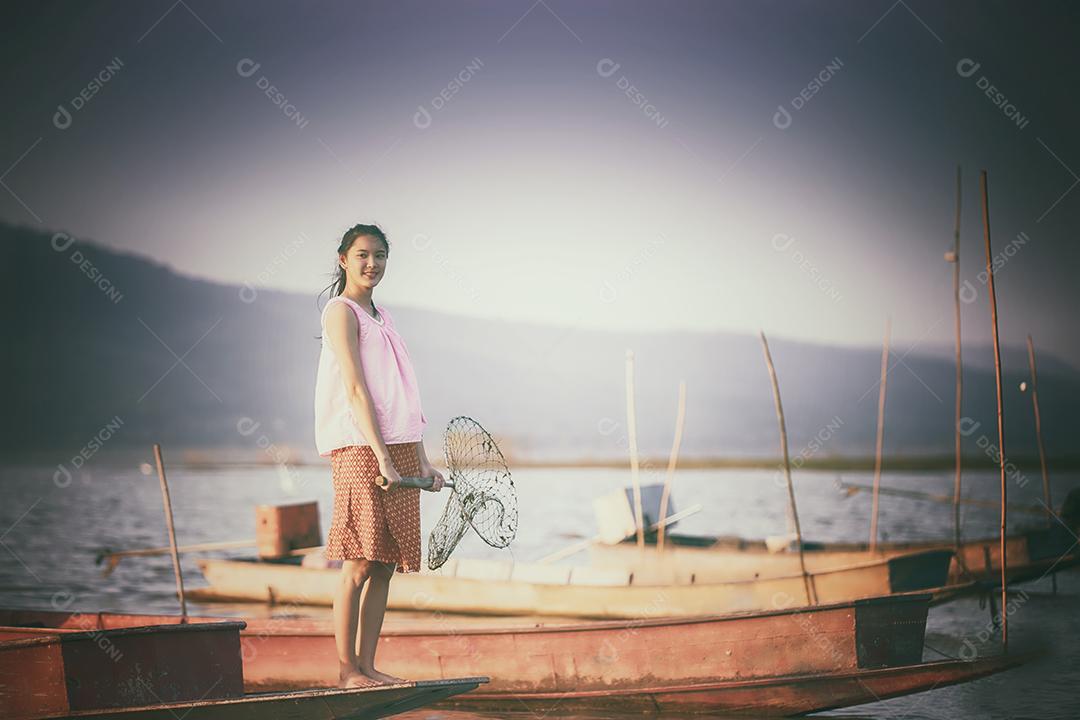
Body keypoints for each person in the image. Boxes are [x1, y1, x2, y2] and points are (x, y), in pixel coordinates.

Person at [314, 222, 445, 688]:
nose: (373, 264)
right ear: (344, 258)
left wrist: (420, 459)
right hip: (360, 444)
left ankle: (369, 667)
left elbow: (402, 396)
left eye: (381, 256)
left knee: (387, 562)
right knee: (360, 560)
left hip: (401, 446)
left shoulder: (383, 317)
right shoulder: (340, 311)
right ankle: (347, 669)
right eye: (363, 255)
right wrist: (382, 456)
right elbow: (354, 387)